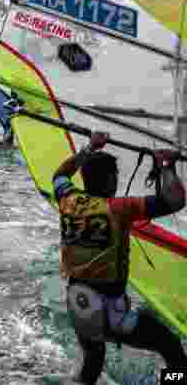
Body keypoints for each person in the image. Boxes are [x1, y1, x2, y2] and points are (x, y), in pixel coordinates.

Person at [53, 132, 185, 384]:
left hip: (78, 303)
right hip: (110, 311)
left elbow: (59, 176)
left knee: (92, 362)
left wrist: (88, 148)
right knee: (170, 346)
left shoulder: (67, 199)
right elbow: (175, 199)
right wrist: (167, 166)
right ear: (112, 179)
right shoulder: (119, 208)